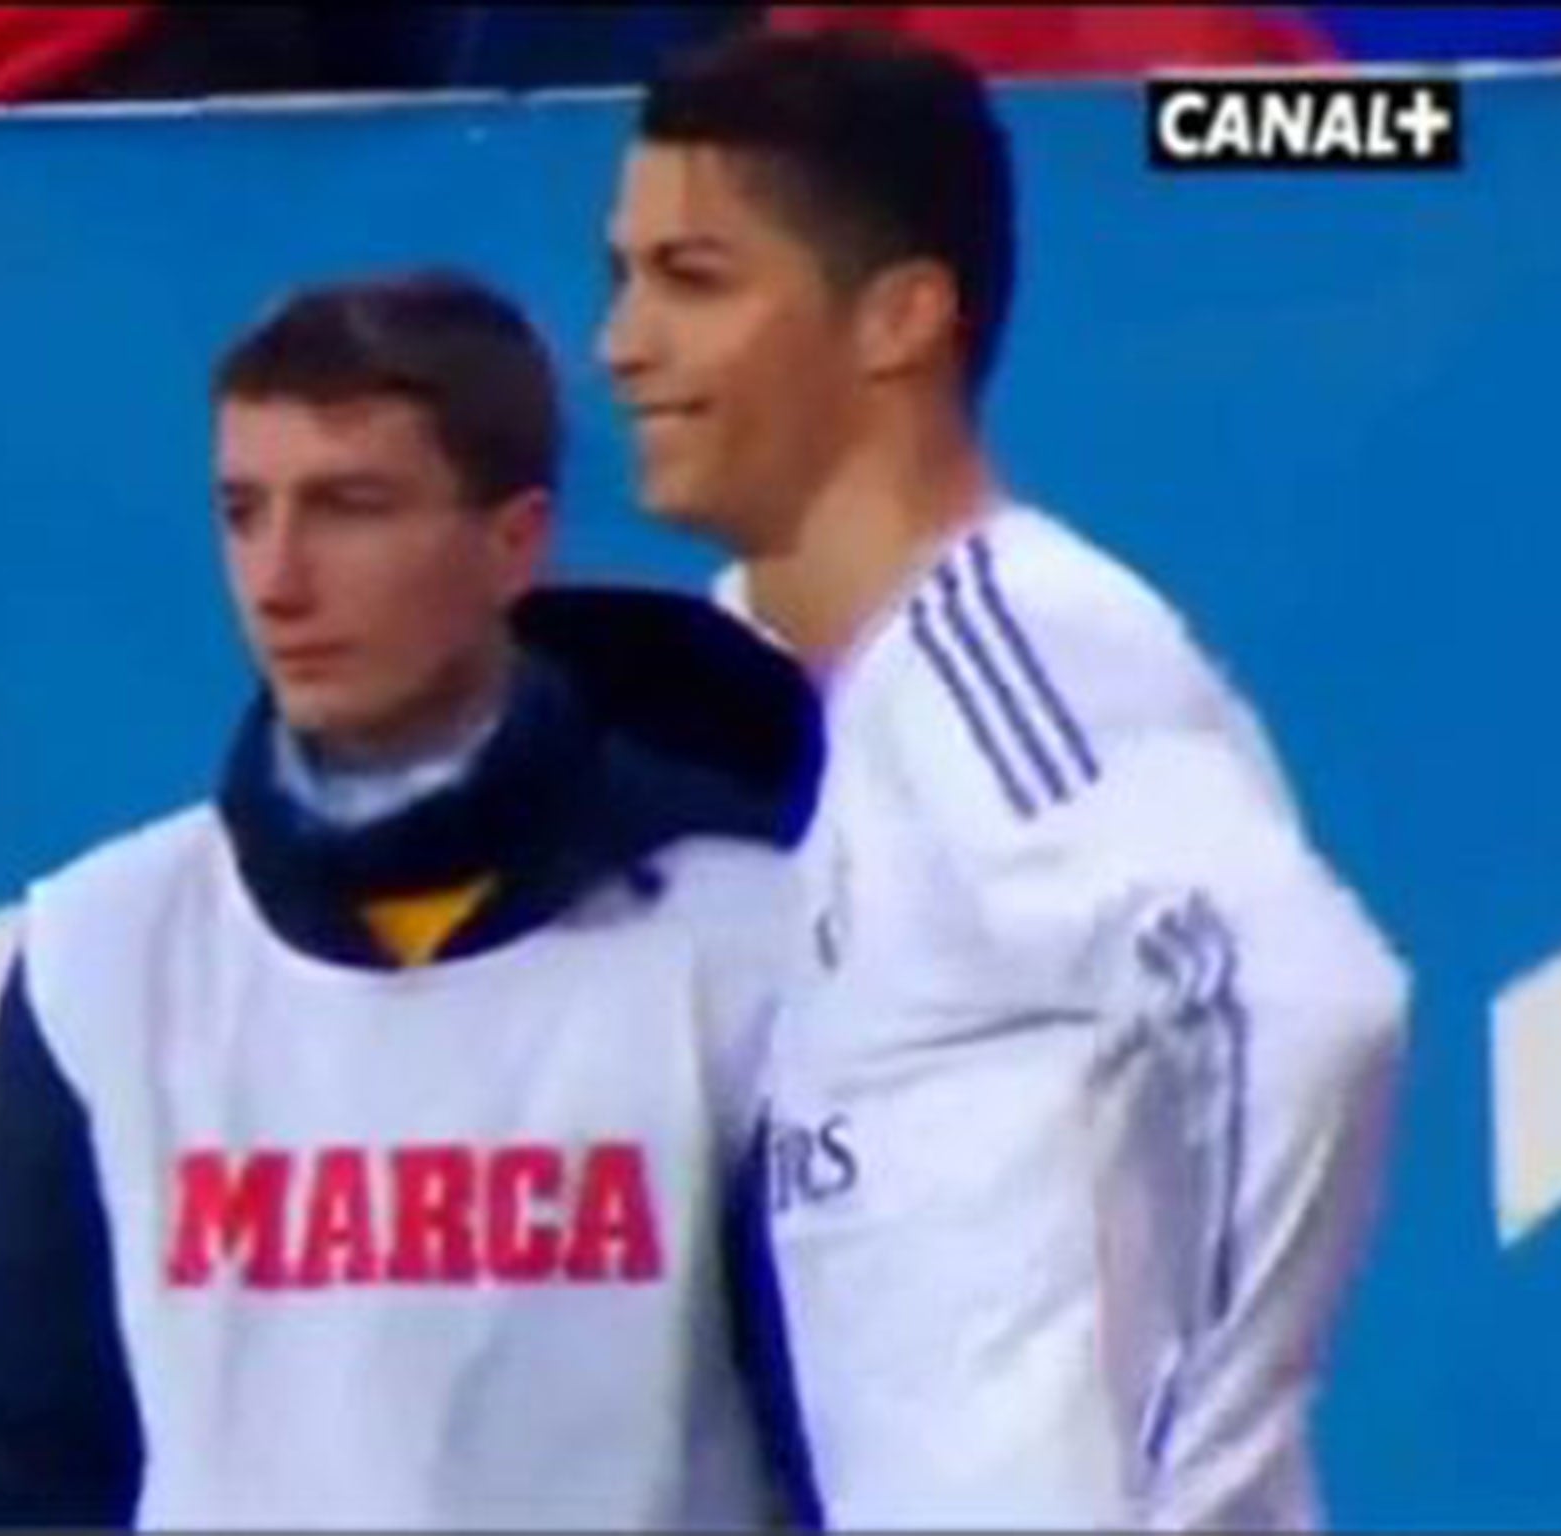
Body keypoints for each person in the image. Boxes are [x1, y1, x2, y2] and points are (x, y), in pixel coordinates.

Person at [600, 28, 1410, 1531]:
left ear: (899, 318)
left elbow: (1304, 1003)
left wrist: (1207, 1489)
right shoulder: (754, 690)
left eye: (694, 280)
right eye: (624, 276)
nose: (622, 343)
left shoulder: (1008, 645)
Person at [0, 269, 825, 1529]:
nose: (277, 581)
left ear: (513, 542)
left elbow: (855, 1435)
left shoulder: (743, 949)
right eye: (241, 512)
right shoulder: (106, 948)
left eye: (347, 508)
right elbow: (14, 1467)